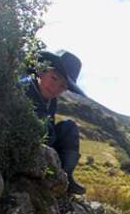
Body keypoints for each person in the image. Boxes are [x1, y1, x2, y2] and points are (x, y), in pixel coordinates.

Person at [22, 50, 86, 195]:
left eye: (63, 86)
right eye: (54, 78)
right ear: (42, 71)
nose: (55, 88)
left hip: (46, 148)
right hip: (25, 144)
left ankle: (65, 178)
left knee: (69, 127)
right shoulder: (24, 87)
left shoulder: (52, 102)